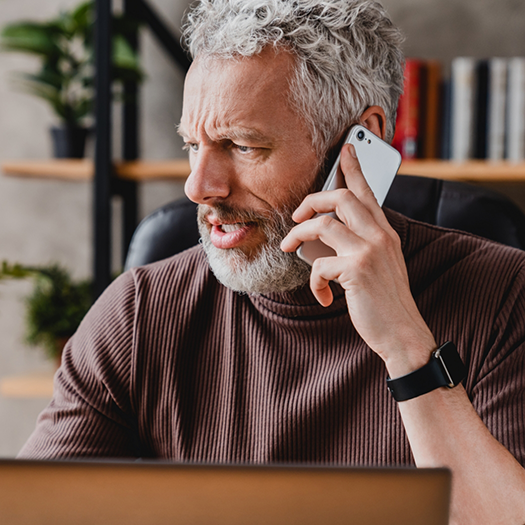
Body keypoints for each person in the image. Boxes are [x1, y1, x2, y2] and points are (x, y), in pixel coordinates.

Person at [20, 0, 525, 522]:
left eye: (241, 145)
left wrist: (405, 343)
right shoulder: (137, 314)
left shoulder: (506, 296)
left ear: (363, 140)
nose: (199, 187)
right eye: (193, 145)